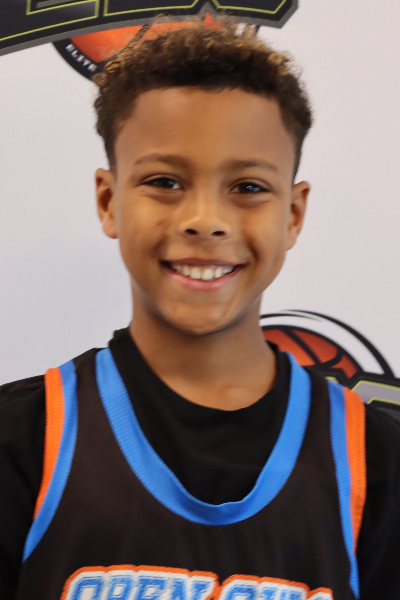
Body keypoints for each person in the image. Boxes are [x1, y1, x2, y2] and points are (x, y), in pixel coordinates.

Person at [1, 21, 400, 600]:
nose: (205, 220)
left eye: (248, 187)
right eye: (165, 181)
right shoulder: (23, 440)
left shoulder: (374, 461)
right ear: (109, 201)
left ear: (293, 215)